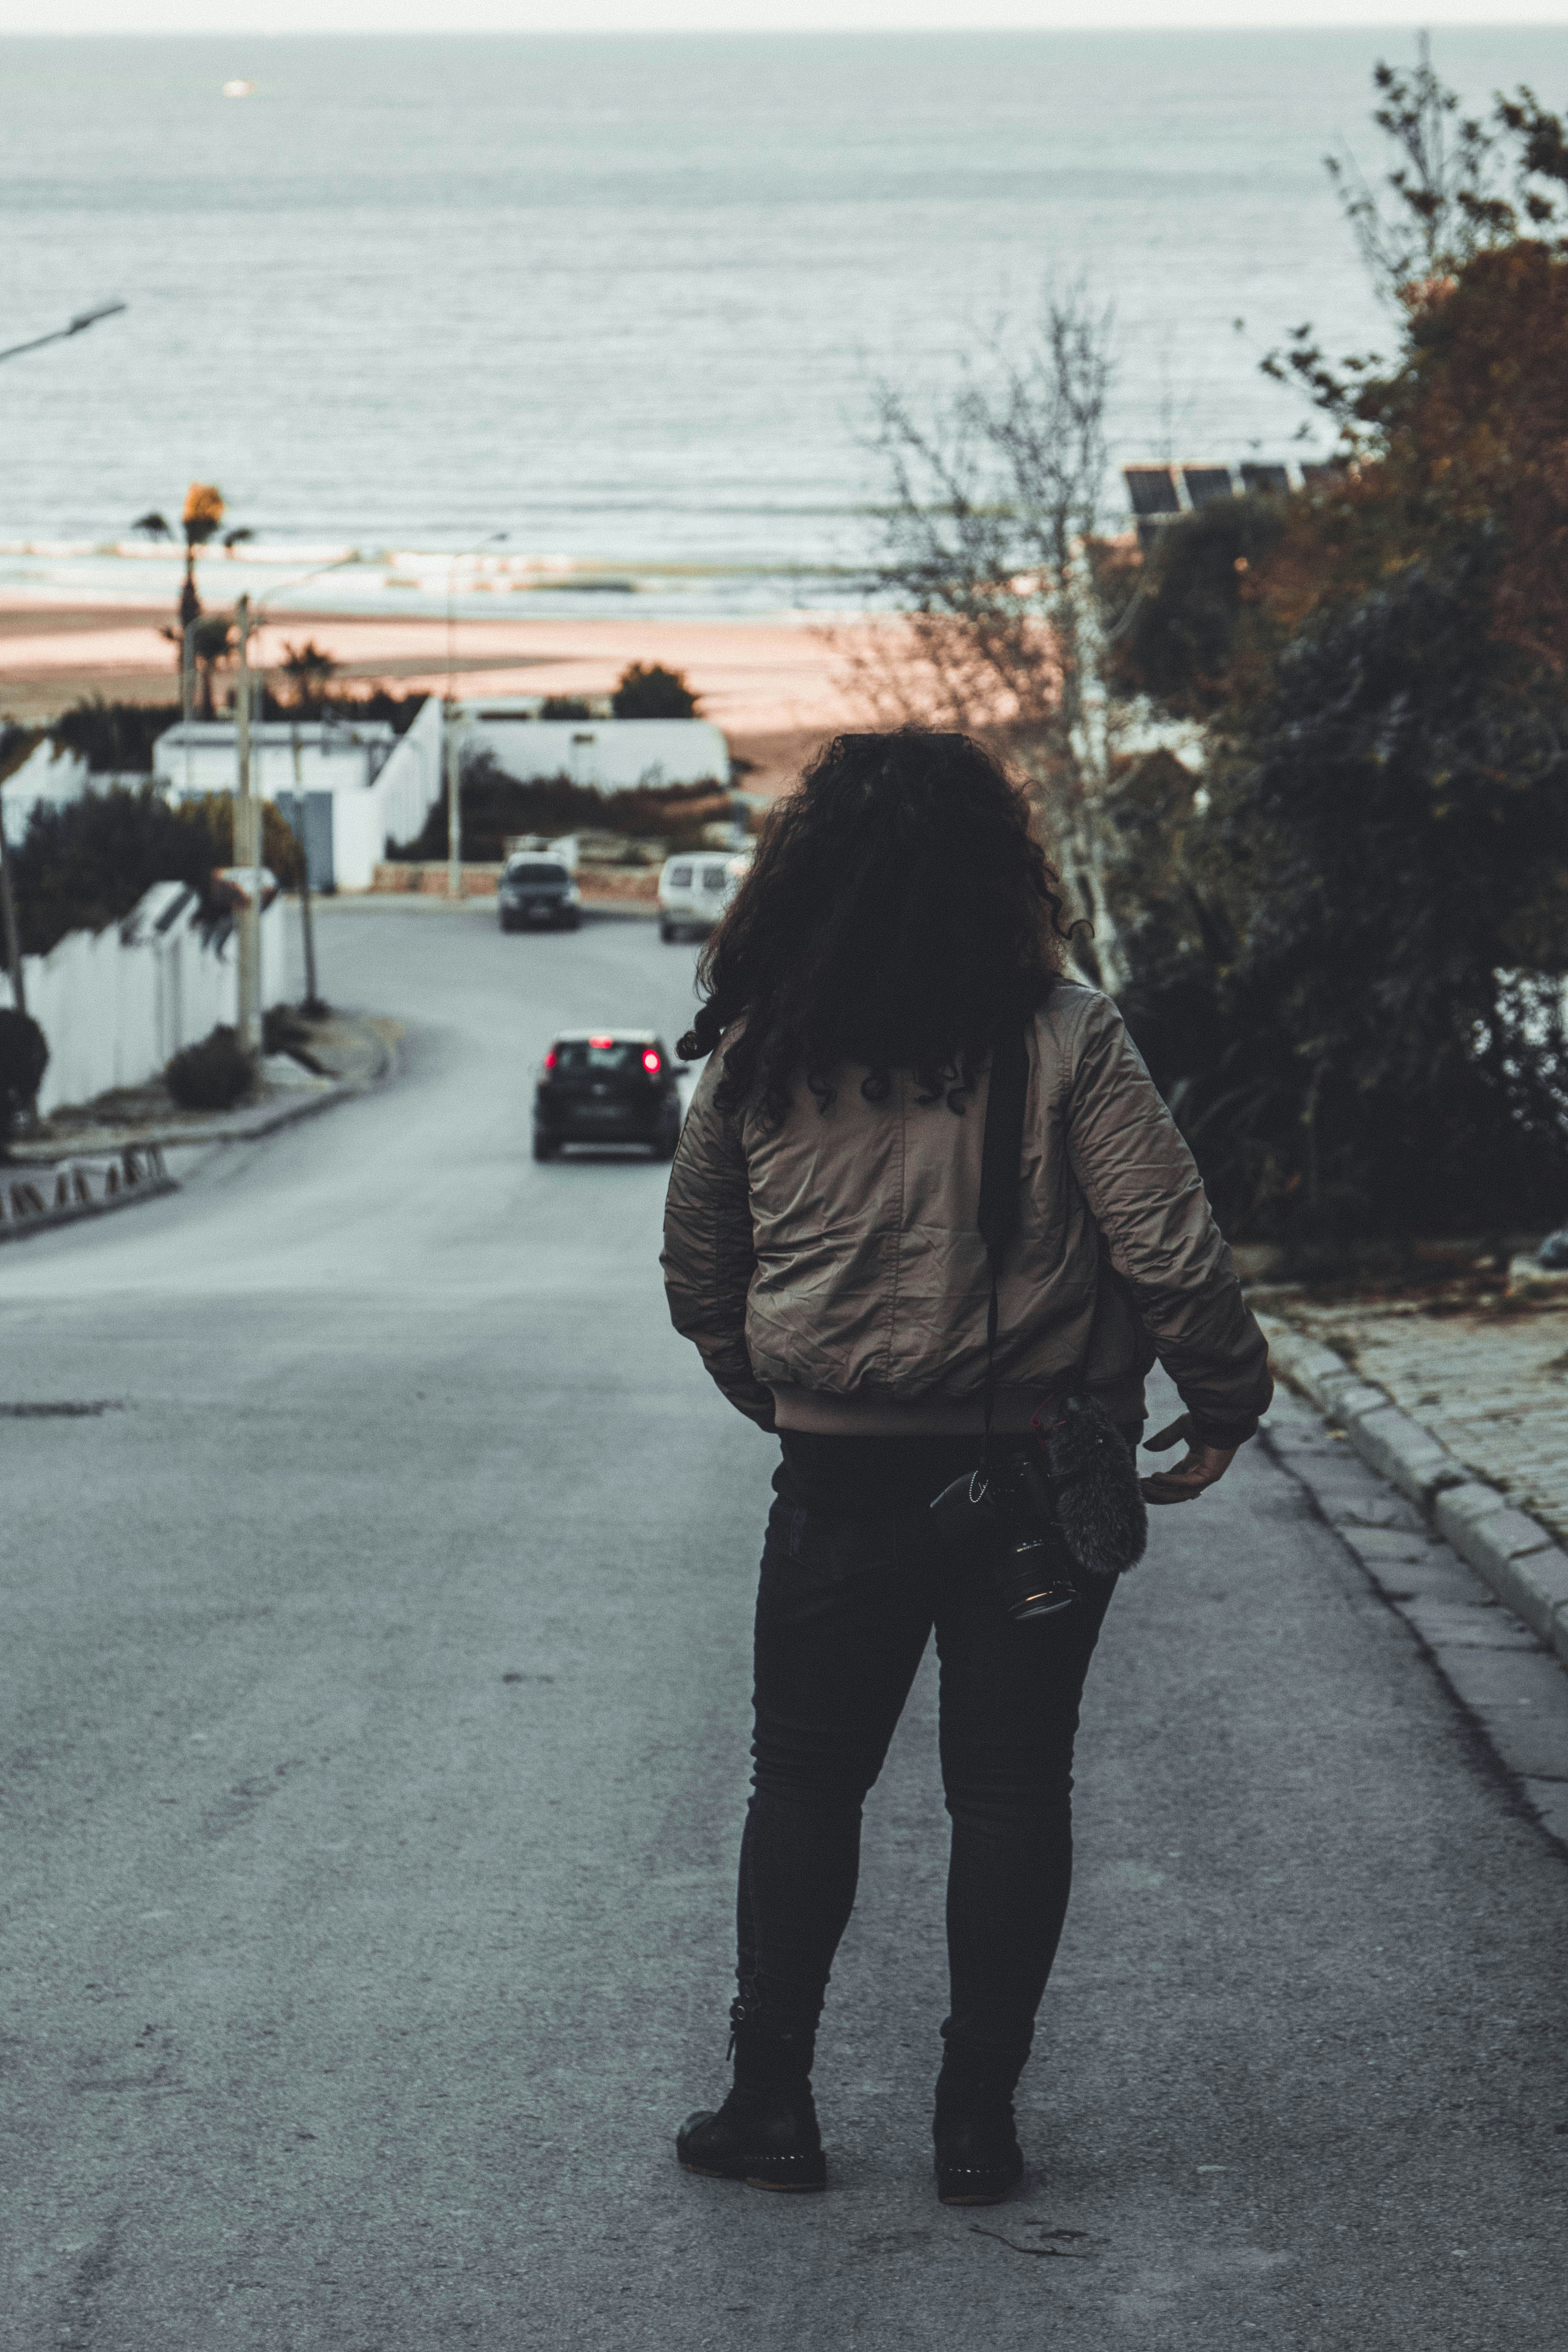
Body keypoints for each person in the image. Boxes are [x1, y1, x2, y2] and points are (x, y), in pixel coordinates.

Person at [660, 729, 1271, 2204]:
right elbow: (1170, 1251)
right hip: (1037, 1481)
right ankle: (975, 2126)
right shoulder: (1069, 1034)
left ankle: (771, 2107)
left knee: (804, 1783)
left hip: (836, 1482)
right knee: (1010, 1791)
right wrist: (1226, 1398)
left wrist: (792, 1402)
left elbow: (700, 1269)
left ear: (810, 873)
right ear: (1002, 869)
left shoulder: (765, 1041)